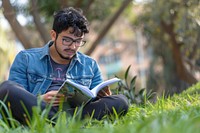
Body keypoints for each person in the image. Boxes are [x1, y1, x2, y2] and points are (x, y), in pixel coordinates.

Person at [0, 7, 129, 125]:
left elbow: (96, 101)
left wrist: (104, 96)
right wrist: (40, 100)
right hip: (38, 110)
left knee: (121, 101)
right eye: (67, 40)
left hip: (76, 113)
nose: (73, 47)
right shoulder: (26, 58)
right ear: (53, 35)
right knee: (6, 88)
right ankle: (64, 122)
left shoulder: (90, 65)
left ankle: (58, 122)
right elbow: (15, 98)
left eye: (78, 41)